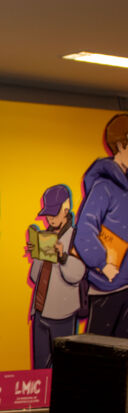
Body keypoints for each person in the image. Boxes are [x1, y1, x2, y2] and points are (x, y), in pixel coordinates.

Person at [74, 113, 128, 337]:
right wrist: (102, 264)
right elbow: (84, 232)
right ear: (121, 145)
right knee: (99, 353)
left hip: (126, 285)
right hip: (107, 286)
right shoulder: (104, 186)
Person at [26, 184, 85, 367]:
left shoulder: (77, 236)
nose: (50, 219)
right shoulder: (45, 236)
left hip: (63, 315)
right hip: (40, 311)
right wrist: (36, 255)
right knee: (39, 368)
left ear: (66, 210)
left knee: (63, 367)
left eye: (54, 214)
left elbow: (78, 274)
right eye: (48, 215)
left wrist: (63, 257)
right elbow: (35, 278)